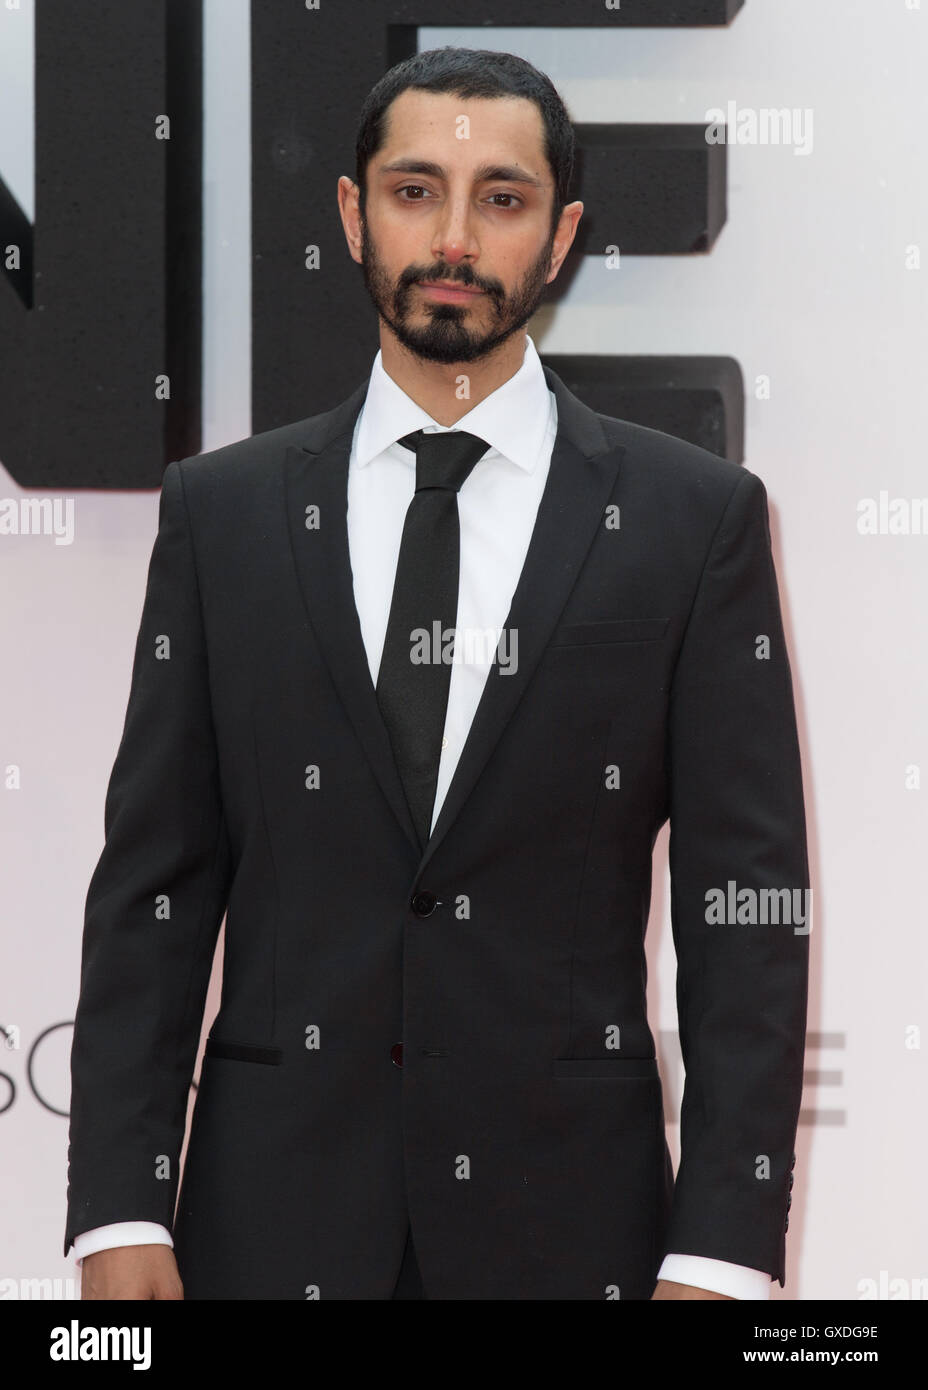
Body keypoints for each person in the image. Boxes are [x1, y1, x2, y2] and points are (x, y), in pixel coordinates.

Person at [66, 47, 809, 1300]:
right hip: (266, 1228)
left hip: (577, 1239)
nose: (454, 236)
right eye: (416, 190)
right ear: (354, 214)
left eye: (502, 198)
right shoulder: (225, 515)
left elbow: (746, 916)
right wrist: (116, 1211)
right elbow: (154, 887)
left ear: (561, 235)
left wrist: (725, 1253)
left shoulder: (694, 521)